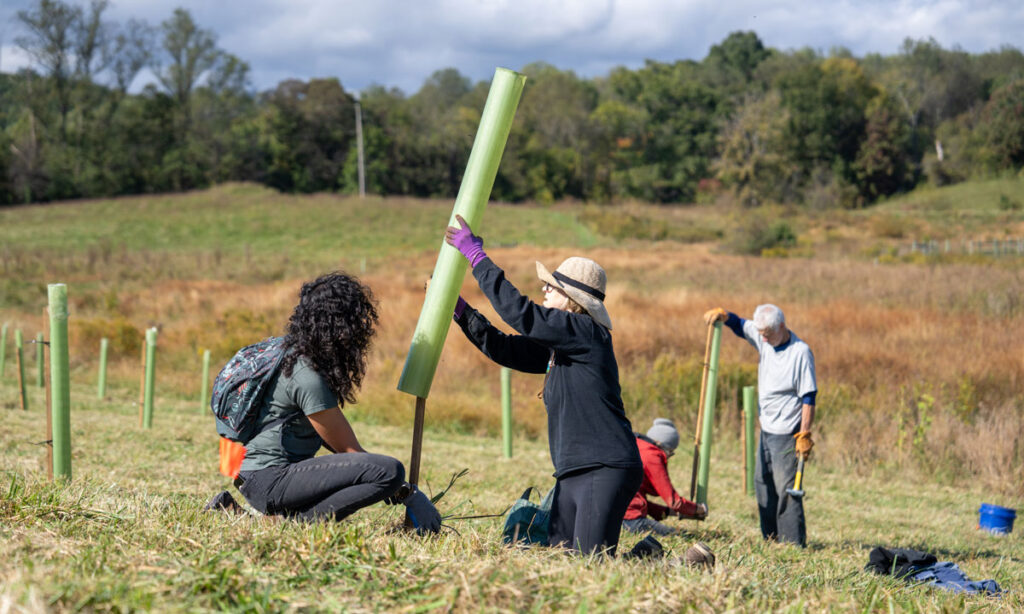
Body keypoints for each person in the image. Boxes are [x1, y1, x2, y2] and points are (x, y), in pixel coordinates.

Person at [445, 215, 643, 556]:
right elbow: (505, 348)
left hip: (605, 466)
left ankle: (672, 560)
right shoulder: (562, 346)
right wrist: (463, 313)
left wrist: (478, 259)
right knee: (563, 560)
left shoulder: (587, 334)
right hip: (571, 472)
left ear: (572, 299)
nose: (543, 290)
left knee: (590, 564)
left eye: (551, 287)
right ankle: (650, 554)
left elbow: (522, 314)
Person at [206, 272, 441, 532]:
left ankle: (241, 514)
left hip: (255, 474)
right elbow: (348, 451)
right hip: (269, 479)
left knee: (378, 469)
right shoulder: (306, 375)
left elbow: (338, 448)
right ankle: (288, 526)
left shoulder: (288, 353)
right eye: (358, 321)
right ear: (340, 326)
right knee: (388, 470)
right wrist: (408, 494)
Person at [704, 303, 816, 547]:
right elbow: (741, 325)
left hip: (788, 431)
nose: (762, 338)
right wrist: (725, 316)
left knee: (786, 488)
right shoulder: (764, 335)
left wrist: (804, 433)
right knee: (762, 483)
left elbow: (809, 396)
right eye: (761, 333)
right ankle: (771, 538)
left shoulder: (800, 352)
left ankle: (793, 543)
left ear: (782, 327)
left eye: (767, 334)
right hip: (766, 429)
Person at [622, 418, 708, 536]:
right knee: (682, 535)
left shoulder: (637, 445)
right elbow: (674, 502)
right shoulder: (652, 456)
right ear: (663, 446)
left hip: (617, 517)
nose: (668, 457)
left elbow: (637, 500)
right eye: (671, 452)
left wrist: (670, 512)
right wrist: (699, 509)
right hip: (631, 521)